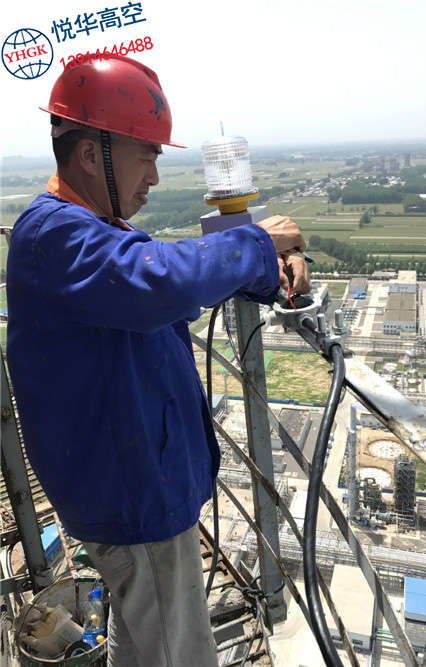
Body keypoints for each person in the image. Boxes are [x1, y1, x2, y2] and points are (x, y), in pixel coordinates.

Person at [6, 54, 311, 667]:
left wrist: (266, 272)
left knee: (143, 632)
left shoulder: (96, 227)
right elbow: (157, 280)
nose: (154, 175)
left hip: (131, 480)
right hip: (129, 489)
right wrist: (257, 242)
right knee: (178, 650)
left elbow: (163, 280)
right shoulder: (55, 235)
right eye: (145, 155)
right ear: (90, 154)